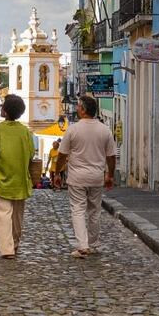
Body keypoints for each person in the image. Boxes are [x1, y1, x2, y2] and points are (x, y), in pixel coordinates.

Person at [58, 94, 117, 258]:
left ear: (83, 110)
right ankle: (93, 243)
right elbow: (111, 156)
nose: (76, 108)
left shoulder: (73, 129)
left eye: (78, 106)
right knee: (94, 211)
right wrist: (110, 175)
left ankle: (83, 245)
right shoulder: (104, 130)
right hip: (96, 176)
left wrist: (57, 171)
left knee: (77, 210)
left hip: (77, 177)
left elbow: (62, 154)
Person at [0, 94, 34, 259]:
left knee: (3, 214)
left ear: (5, 111)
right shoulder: (25, 131)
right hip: (20, 179)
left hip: (1, 178)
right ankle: (15, 243)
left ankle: (7, 249)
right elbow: (31, 153)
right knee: (17, 215)